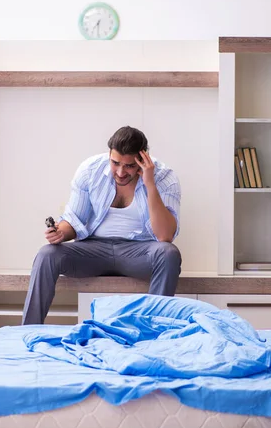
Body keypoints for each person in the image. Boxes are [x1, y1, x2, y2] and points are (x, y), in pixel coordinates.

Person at [22, 126, 181, 324]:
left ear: (143, 159)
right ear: (109, 155)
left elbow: (164, 236)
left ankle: (152, 332)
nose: (121, 172)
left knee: (168, 253)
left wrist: (150, 183)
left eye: (130, 166)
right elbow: (74, 219)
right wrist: (60, 234)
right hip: (93, 249)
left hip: (138, 252)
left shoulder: (165, 178)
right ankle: (27, 330)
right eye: (115, 163)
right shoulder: (90, 170)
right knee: (47, 254)